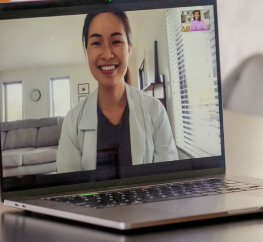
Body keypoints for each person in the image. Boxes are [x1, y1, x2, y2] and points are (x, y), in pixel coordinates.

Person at [57, 11, 178, 173]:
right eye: (96, 43)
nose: (107, 54)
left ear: (129, 48)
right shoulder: (73, 122)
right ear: (87, 51)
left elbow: (168, 179)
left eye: (116, 41)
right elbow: (69, 189)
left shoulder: (155, 111)